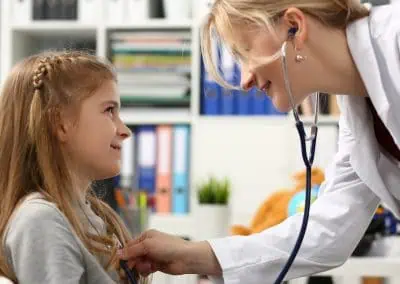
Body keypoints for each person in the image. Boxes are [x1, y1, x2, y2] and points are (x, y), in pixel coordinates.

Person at [118, 0, 400, 283]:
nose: (244, 80)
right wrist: (192, 254)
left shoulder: (394, 39)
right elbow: (329, 230)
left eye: (245, 52)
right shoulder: (358, 114)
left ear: (294, 26)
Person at [0, 50, 151, 284]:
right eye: (109, 110)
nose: (125, 131)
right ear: (60, 124)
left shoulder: (94, 216)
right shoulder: (41, 221)